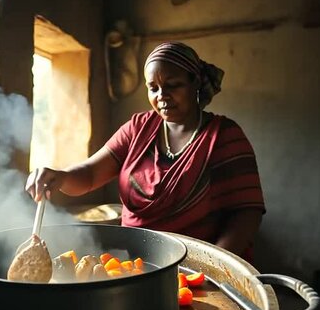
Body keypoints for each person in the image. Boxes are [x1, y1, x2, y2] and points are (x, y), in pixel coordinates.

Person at [26, 41, 265, 259]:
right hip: (135, 263)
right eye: (154, 88)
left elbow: (246, 212)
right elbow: (89, 175)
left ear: (196, 83)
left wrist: (215, 265)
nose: (162, 96)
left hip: (195, 268)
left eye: (173, 85)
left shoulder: (223, 136)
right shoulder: (138, 129)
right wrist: (60, 177)